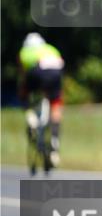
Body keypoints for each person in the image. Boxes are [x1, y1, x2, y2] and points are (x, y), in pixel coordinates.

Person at [19, 32, 66, 166]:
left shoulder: (25, 52)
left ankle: (30, 116)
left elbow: (23, 75)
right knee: (56, 103)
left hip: (37, 73)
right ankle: (55, 138)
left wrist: (25, 93)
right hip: (56, 72)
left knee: (24, 91)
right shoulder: (51, 49)